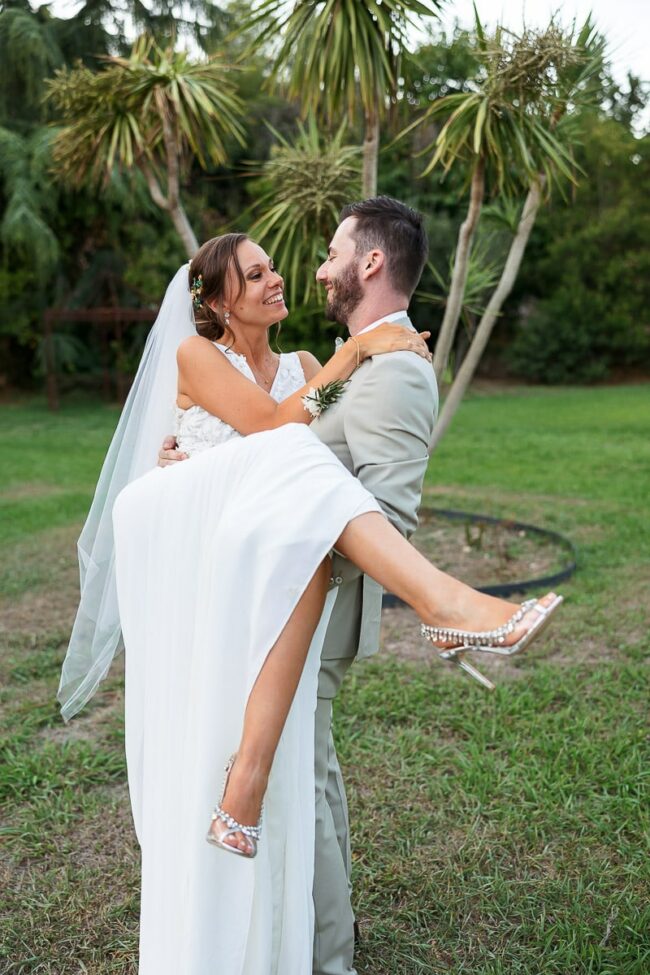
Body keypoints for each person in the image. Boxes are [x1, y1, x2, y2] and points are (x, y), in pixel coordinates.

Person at [154, 199, 561, 975]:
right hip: (226, 577)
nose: (289, 275)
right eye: (259, 271)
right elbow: (275, 431)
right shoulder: (244, 360)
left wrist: (382, 356)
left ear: (370, 262)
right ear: (215, 301)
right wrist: (193, 473)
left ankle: (321, 953)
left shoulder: (336, 366)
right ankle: (298, 942)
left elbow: (353, 476)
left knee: (304, 781)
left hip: (301, 596)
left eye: (301, 257)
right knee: (297, 773)